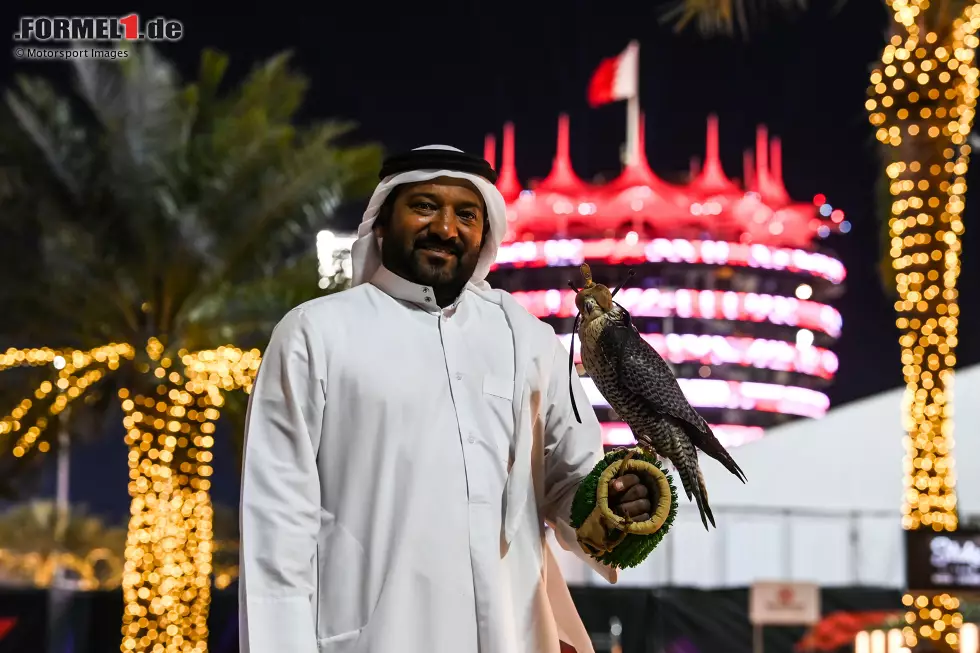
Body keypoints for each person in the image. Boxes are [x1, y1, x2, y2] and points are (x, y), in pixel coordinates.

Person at [238, 145, 656, 653]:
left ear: (486, 233)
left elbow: (571, 481)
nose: (445, 228)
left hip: (511, 637)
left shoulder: (529, 341)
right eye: (424, 206)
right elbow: (278, 524)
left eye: (466, 214)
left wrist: (613, 501)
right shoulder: (315, 334)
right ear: (382, 222)